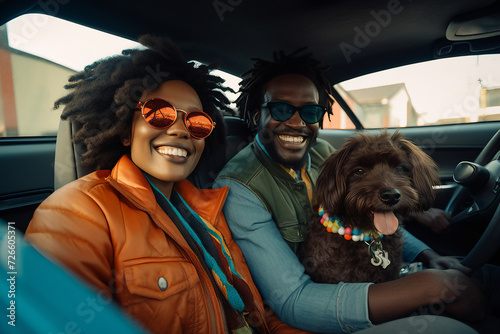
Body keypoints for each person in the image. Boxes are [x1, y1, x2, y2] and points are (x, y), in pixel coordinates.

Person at [25, 36, 306, 334]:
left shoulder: (211, 210)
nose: (181, 130)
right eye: (159, 113)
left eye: (197, 122)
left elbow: (258, 313)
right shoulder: (75, 212)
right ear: (126, 132)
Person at [214, 49, 497, 333]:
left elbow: (371, 217)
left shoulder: (322, 151)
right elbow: (292, 300)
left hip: (373, 272)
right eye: (281, 109)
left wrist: (426, 255)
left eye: (309, 111)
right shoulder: (240, 187)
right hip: (317, 307)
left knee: (485, 277)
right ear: (254, 114)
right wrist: (428, 287)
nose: (297, 122)